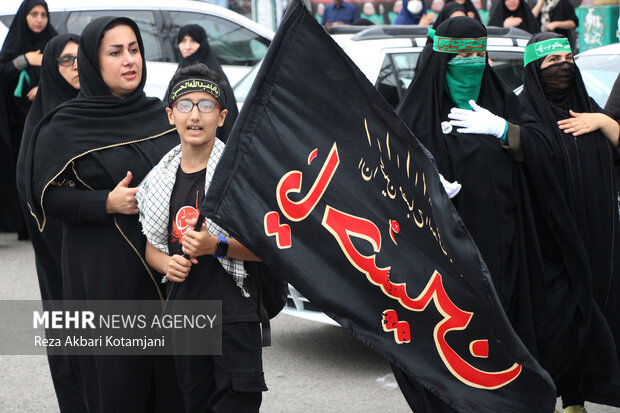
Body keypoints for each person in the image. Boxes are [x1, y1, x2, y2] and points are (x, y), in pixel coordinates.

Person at [18, 16, 184, 412]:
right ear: (94, 61)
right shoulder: (64, 126)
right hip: (103, 271)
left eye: (134, 50)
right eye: (115, 52)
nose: (129, 61)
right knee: (117, 382)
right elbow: (44, 199)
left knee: (173, 381)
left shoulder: (160, 115)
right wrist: (104, 203)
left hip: (168, 271)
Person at [394, 17, 547, 411]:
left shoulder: (502, 105)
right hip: (444, 266)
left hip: (506, 254)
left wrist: (505, 132)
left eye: (478, 54)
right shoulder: (413, 118)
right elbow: (384, 178)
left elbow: (548, 153)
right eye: (460, 56)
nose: (470, 63)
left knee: (504, 341)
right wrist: (423, 187)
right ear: (439, 60)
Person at [137, 63, 266, 412]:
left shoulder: (241, 175)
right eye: (185, 105)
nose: (195, 115)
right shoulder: (157, 180)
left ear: (221, 117)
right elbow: (153, 245)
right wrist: (168, 264)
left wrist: (216, 246)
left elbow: (269, 246)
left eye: (206, 105)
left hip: (234, 314)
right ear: (170, 115)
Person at [517, 32, 620, 412]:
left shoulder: (588, 107)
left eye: (566, 56)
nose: (562, 65)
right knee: (562, 322)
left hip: (600, 236)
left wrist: (603, 123)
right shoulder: (523, 112)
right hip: (551, 242)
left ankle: (588, 393)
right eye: (550, 61)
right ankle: (567, 396)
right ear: (535, 69)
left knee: (602, 314)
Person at [15, 32, 86, 413]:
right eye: (65, 60)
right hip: (58, 247)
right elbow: (29, 187)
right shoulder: (43, 120)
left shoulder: (98, 108)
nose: (75, 67)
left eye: (81, 58)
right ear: (51, 67)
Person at [0, 0, 57, 239]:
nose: (39, 19)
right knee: (17, 172)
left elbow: (67, 73)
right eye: (34, 14)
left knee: (41, 171)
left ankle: (44, 222)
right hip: (16, 121)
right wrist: (25, 59)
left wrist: (42, 89)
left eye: (43, 14)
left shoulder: (54, 42)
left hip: (45, 120)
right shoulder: (15, 44)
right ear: (24, 17)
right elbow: (3, 73)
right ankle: (22, 224)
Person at [175, 24, 238, 143]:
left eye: (193, 41)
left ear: (202, 44)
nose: (187, 46)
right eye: (183, 41)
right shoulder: (180, 72)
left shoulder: (212, 76)